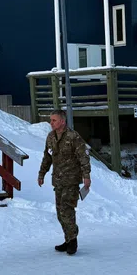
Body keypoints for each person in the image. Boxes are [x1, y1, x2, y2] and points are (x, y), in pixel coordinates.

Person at [38, 109, 91, 255]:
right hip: (58, 180)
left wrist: (86, 176)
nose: (51, 123)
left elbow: (83, 157)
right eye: (51, 120)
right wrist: (42, 173)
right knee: (60, 212)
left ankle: (72, 241)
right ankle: (68, 237)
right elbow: (47, 157)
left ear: (62, 121)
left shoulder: (73, 137)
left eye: (54, 120)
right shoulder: (50, 137)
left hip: (71, 180)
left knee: (66, 210)